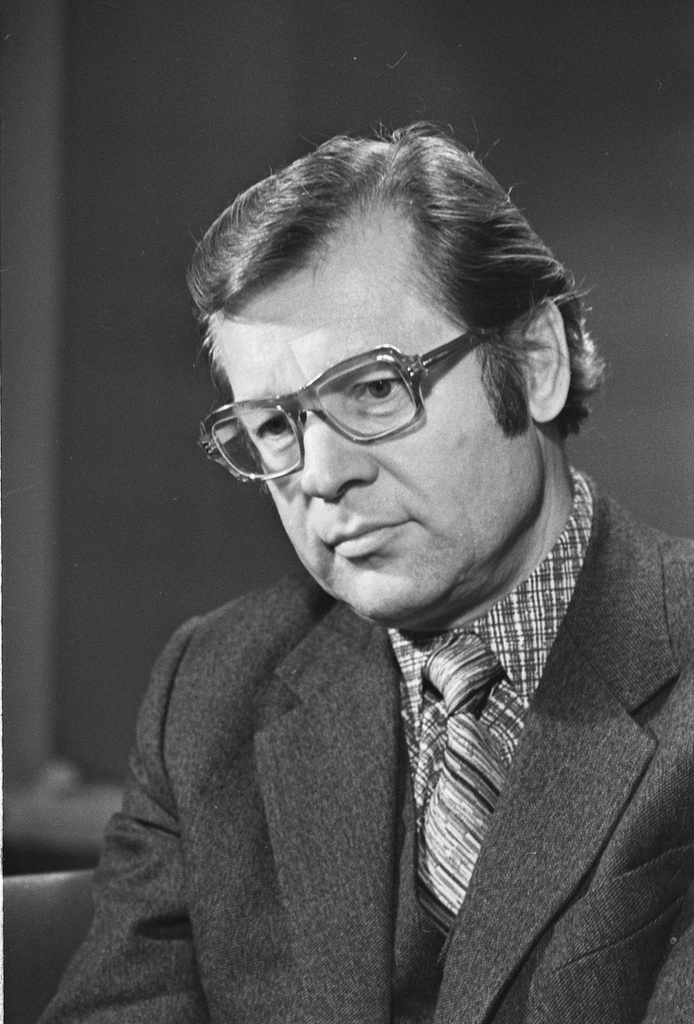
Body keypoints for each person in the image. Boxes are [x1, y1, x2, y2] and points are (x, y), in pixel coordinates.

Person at [41, 125, 693, 1024]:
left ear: (535, 363)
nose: (320, 474)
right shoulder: (210, 691)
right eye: (275, 427)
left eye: (376, 389)